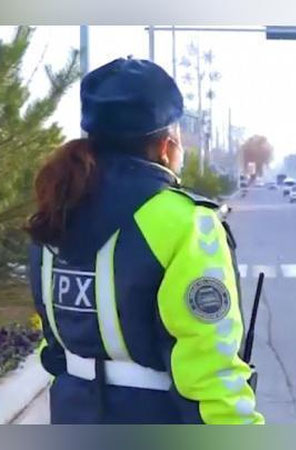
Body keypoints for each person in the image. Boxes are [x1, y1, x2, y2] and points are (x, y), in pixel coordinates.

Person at [25, 58, 264, 424]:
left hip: (72, 412)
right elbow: (211, 367)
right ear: (166, 146)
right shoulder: (186, 222)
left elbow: (54, 345)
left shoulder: (56, 208)